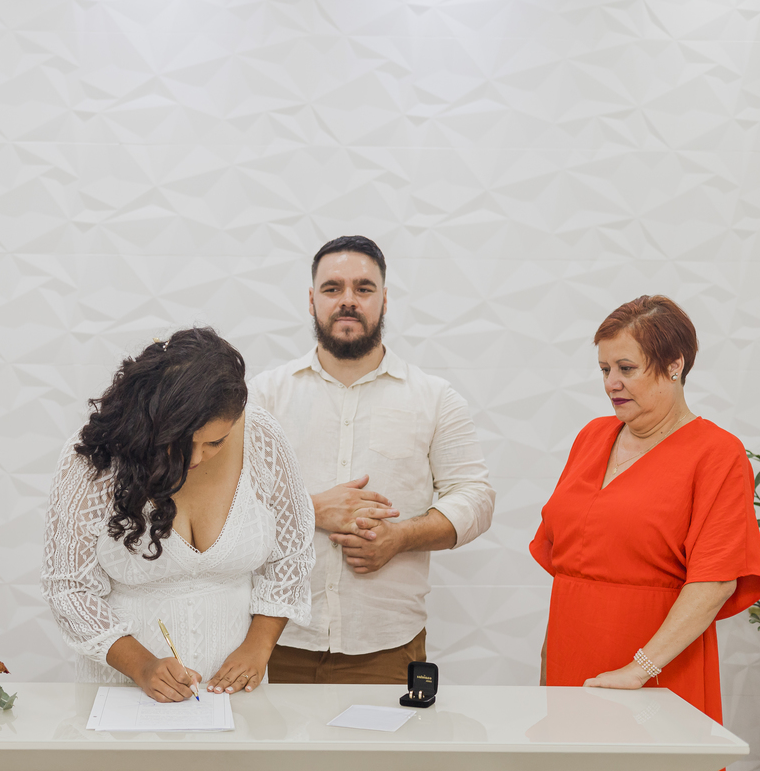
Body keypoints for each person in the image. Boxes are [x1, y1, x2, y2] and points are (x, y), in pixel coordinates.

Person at [249, 236, 495, 684]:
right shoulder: (264, 396)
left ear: (385, 300)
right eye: (332, 288)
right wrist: (310, 510)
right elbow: (224, 499)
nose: (348, 301)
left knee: (385, 757)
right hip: (276, 641)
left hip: (387, 645)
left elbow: (476, 498)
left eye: (364, 289)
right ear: (311, 300)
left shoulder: (434, 399)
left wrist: (400, 537)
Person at [531, 295, 760, 721]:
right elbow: (567, 570)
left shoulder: (717, 454)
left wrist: (638, 670)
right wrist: (549, 668)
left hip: (658, 674)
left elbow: (715, 582)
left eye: (626, 369)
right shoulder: (591, 437)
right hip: (572, 661)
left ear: (674, 365)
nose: (610, 384)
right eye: (605, 370)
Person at [41, 327, 315, 702]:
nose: (197, 459)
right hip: (122, 692)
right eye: (181, 443)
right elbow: (68, 587)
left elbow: (292, 554)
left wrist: (258, 647)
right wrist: (141, 665)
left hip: (236, 693)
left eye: (216, 442)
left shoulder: (262, 437)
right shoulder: (96, 458)